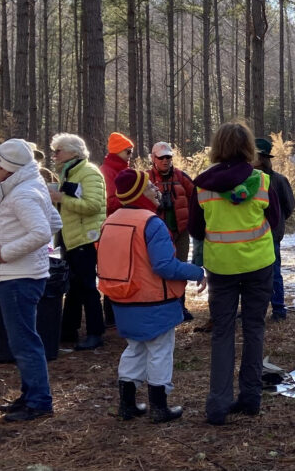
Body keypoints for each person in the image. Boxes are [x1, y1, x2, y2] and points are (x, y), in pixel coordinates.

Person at [189, 121, 281, 426]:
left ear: (217, 148)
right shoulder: (263, 181)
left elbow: (195, 230)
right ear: (248, 148)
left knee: (223, 333)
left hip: (222, 267)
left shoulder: (202, 185)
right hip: (259, 265)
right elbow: (277, 222)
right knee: (254, 329)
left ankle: (217, 405)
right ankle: (251, 398)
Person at [99, 169, 206, 422]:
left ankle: (127, 404)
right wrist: (196, 271)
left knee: (134, 349)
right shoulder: (151, 223)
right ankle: (159, 407)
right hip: (153, 300)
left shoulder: (110, 221)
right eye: (149, 187)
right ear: (138, 193)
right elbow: (164, 266)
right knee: (160, 351)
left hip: (123, 298)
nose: (156, 189)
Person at [0, 139, 63, 422]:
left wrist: (5, 252)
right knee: (23, 339)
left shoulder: (23, 194)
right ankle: (30, 394)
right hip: (23, 274)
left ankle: (40, 401)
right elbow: (54, 224)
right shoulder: (31, 187)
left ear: (7, 166)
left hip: (18, 277)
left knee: (24, 342)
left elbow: (42, 232)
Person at [48, 133, 107, 351]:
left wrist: (62, 199)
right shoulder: (69, 173)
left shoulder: (89, 172)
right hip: (70, 238)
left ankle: (95, 332)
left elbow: (93, 205)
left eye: (58, 150)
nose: (54, 155)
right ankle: (68, 330)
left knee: (87, 286)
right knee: (72, 285)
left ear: (73, 152)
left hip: (85, 238)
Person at [147, 141, 197, 322]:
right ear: (153, 158)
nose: (165, 161)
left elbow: (196, 198)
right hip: (157, 236)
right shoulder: (146, 179)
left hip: (180, 233)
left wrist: (194, 222)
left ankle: (180, 307)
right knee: (157, 271)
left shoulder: (182, 177)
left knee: (180, 269)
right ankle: (159, 307)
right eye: (161, 157)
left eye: (168, 157)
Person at [255, 137, 295, 321]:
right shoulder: (245, 181)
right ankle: (254, 309)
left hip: (271, 235)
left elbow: (288, 206)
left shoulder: (278, 180)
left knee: (273, 272)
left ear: (262, 158)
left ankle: (278, 309)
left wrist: (276, 223)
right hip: (250, 236)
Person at [101, 131, 135, 327]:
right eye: (127, 151)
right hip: (113, 227)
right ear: (117, 151)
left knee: (124, 270)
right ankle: (112, 316)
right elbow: (109, 201)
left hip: (124, 226)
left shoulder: (122, 169)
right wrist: (131, 198)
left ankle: (119, 312)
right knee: (113, 272)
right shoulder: (107, 171)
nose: (130, 155)